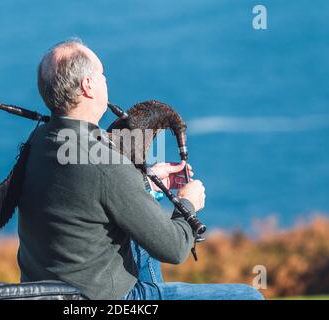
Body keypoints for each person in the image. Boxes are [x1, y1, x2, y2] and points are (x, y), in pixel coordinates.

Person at [17, 38, 264, 300]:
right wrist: (187, 204)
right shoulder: (107, 163)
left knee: (136, 219)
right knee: (249, 296)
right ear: (88, 86)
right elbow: (176, 248)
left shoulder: (39, 140)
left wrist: (144, 184)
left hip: (49, 292)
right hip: (107, 299)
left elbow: (86, 196)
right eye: (101, 74)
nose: (105, 80)